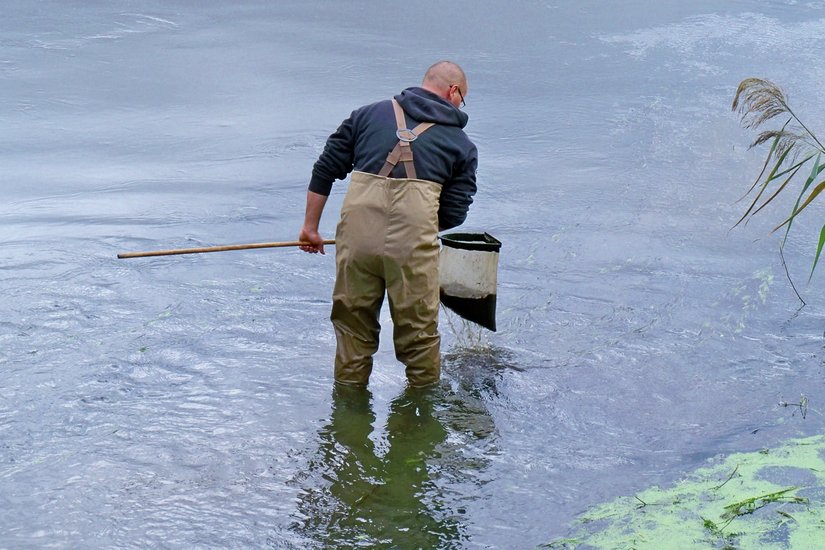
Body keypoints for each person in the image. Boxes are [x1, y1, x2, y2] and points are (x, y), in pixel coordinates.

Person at [298, 60, 478, 387]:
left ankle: (349, 418)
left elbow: (325, 169)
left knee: (353, 334)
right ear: (453, 92)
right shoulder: (461, 145)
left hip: (356, 244)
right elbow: (455, 211)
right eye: (462, 98)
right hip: (412, 251)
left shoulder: (366, 115)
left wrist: (311, 228)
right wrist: (412, 228)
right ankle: (418, 425)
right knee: (419, 340)